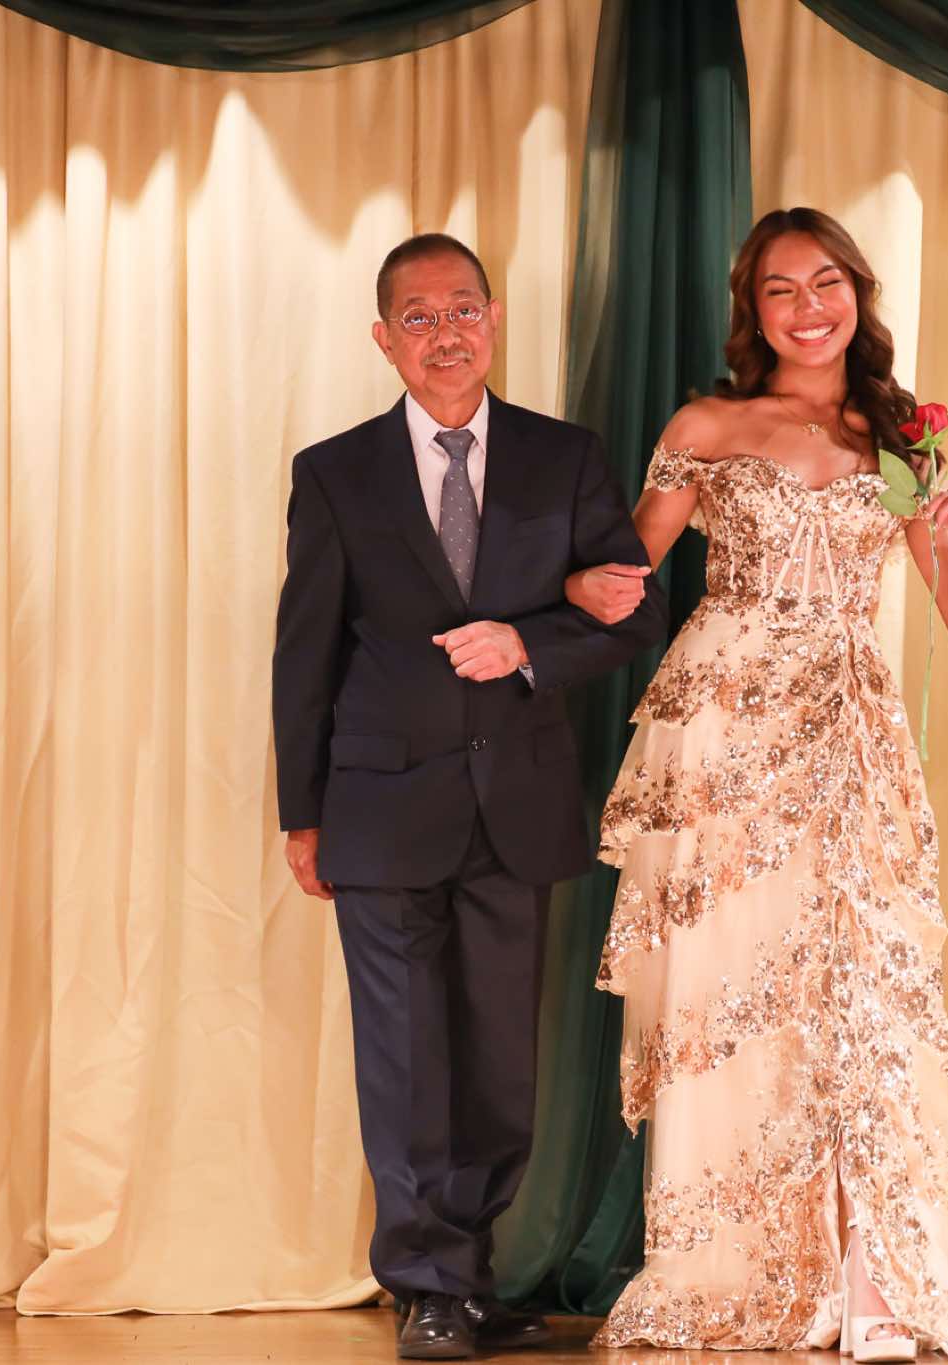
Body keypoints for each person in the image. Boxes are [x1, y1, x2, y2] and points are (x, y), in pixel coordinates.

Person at [565, 208, 948, 1360]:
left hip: (847, 730)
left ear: (856, 294)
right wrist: (578, 588)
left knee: (860, 991)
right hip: (724, 728)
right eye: (780, 290)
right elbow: (622, 569)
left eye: (825, 283)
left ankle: (873, 1274)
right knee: (733, 990)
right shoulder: (707, 426)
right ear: (753, 310)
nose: (807, 307)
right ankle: (740, 1264)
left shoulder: (900, 439)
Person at [271, 233, 666, 1360]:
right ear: (384, 338)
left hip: (516, 803)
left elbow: (632, 612)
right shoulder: (335, 472)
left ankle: (469, 1276)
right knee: (405, 1058)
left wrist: (529, 644)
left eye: (462, 310)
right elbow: (304, 652)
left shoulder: (563, 456)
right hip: (378, 807)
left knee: (497, 1060)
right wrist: (302, 811)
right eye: (419, 316)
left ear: (492, 319)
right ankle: (425, 1285)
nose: (444, 334)